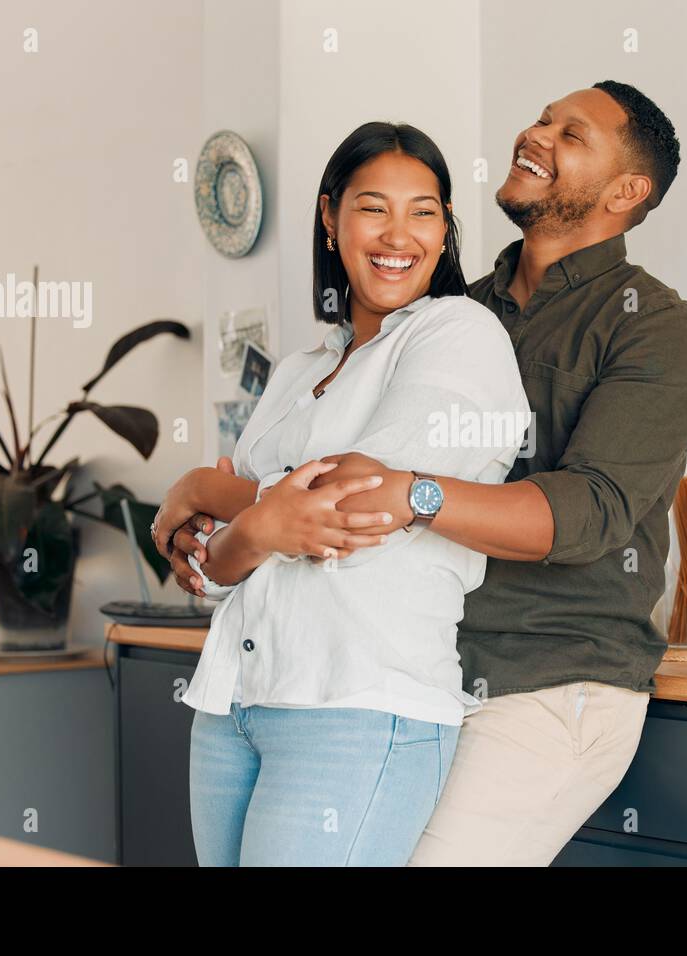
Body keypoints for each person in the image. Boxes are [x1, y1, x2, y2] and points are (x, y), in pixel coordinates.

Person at [308, 81, 687, 865]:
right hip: (420, 675)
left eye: (571, 134)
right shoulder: (450, 312)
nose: (536, 135)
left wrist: (413, 495)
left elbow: (588, 512)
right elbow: (341, 457)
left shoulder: (659, 330)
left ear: (627, 192)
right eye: (541, 118)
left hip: (552, 686)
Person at [151, 121, 529, 866]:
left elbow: (357, 502)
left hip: (360, 707)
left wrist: (202, 488)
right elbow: (217, 571)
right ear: (330, 217)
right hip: (234, 703)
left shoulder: (459, 334)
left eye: (424, 210)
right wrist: (252, 529)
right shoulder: (299, 369)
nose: (400, 234)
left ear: (446, 229)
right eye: (372, 207)